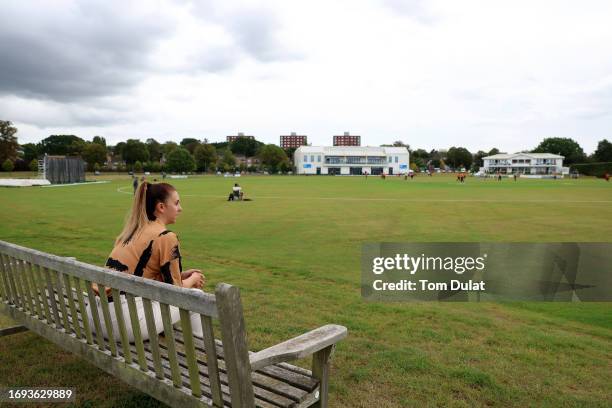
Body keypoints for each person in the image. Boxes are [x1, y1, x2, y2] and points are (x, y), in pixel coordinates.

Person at [89, 182, 205, 342]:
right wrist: (193, 280)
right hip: (121, 323)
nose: (180, 208)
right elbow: (176, 292)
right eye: (177, 203)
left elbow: (140, 274)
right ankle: (203, 350)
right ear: (161, 207)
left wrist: (181, 275)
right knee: (196, 297)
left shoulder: (132, 231)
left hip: (95, 316)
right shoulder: (166, 236)